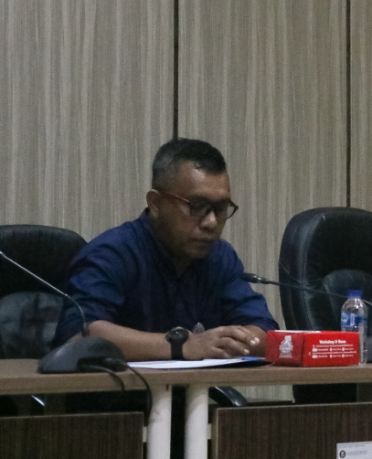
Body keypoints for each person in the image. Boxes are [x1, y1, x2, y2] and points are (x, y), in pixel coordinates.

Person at [53, 138, 278, 361]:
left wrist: (240, 340)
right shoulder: (112, 253)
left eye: (220, 208)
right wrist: (184, 346)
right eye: (196, 206)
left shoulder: (220, 257)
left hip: (191, 396)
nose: (211, 222)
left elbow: (265, 330)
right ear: (156, 203)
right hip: (116, 395)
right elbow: (79, 335)